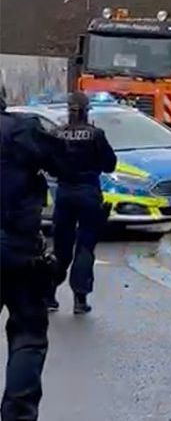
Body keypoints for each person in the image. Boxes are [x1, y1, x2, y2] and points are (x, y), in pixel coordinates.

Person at [1, 87, 62, 421]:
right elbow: (65, 162)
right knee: (28, 335)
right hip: (18, 247)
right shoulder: (23, 130)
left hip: (17, 245)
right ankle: (17, 415)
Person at [49, 93, 116, 316]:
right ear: (87, 110)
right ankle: (80, 298)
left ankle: (49, 294)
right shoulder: (95, 135)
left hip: (65, 193)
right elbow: (110, 165)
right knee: (85, 246)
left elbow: (50, 164)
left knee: (61, 246)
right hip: (88, 192)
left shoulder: (57, 134)